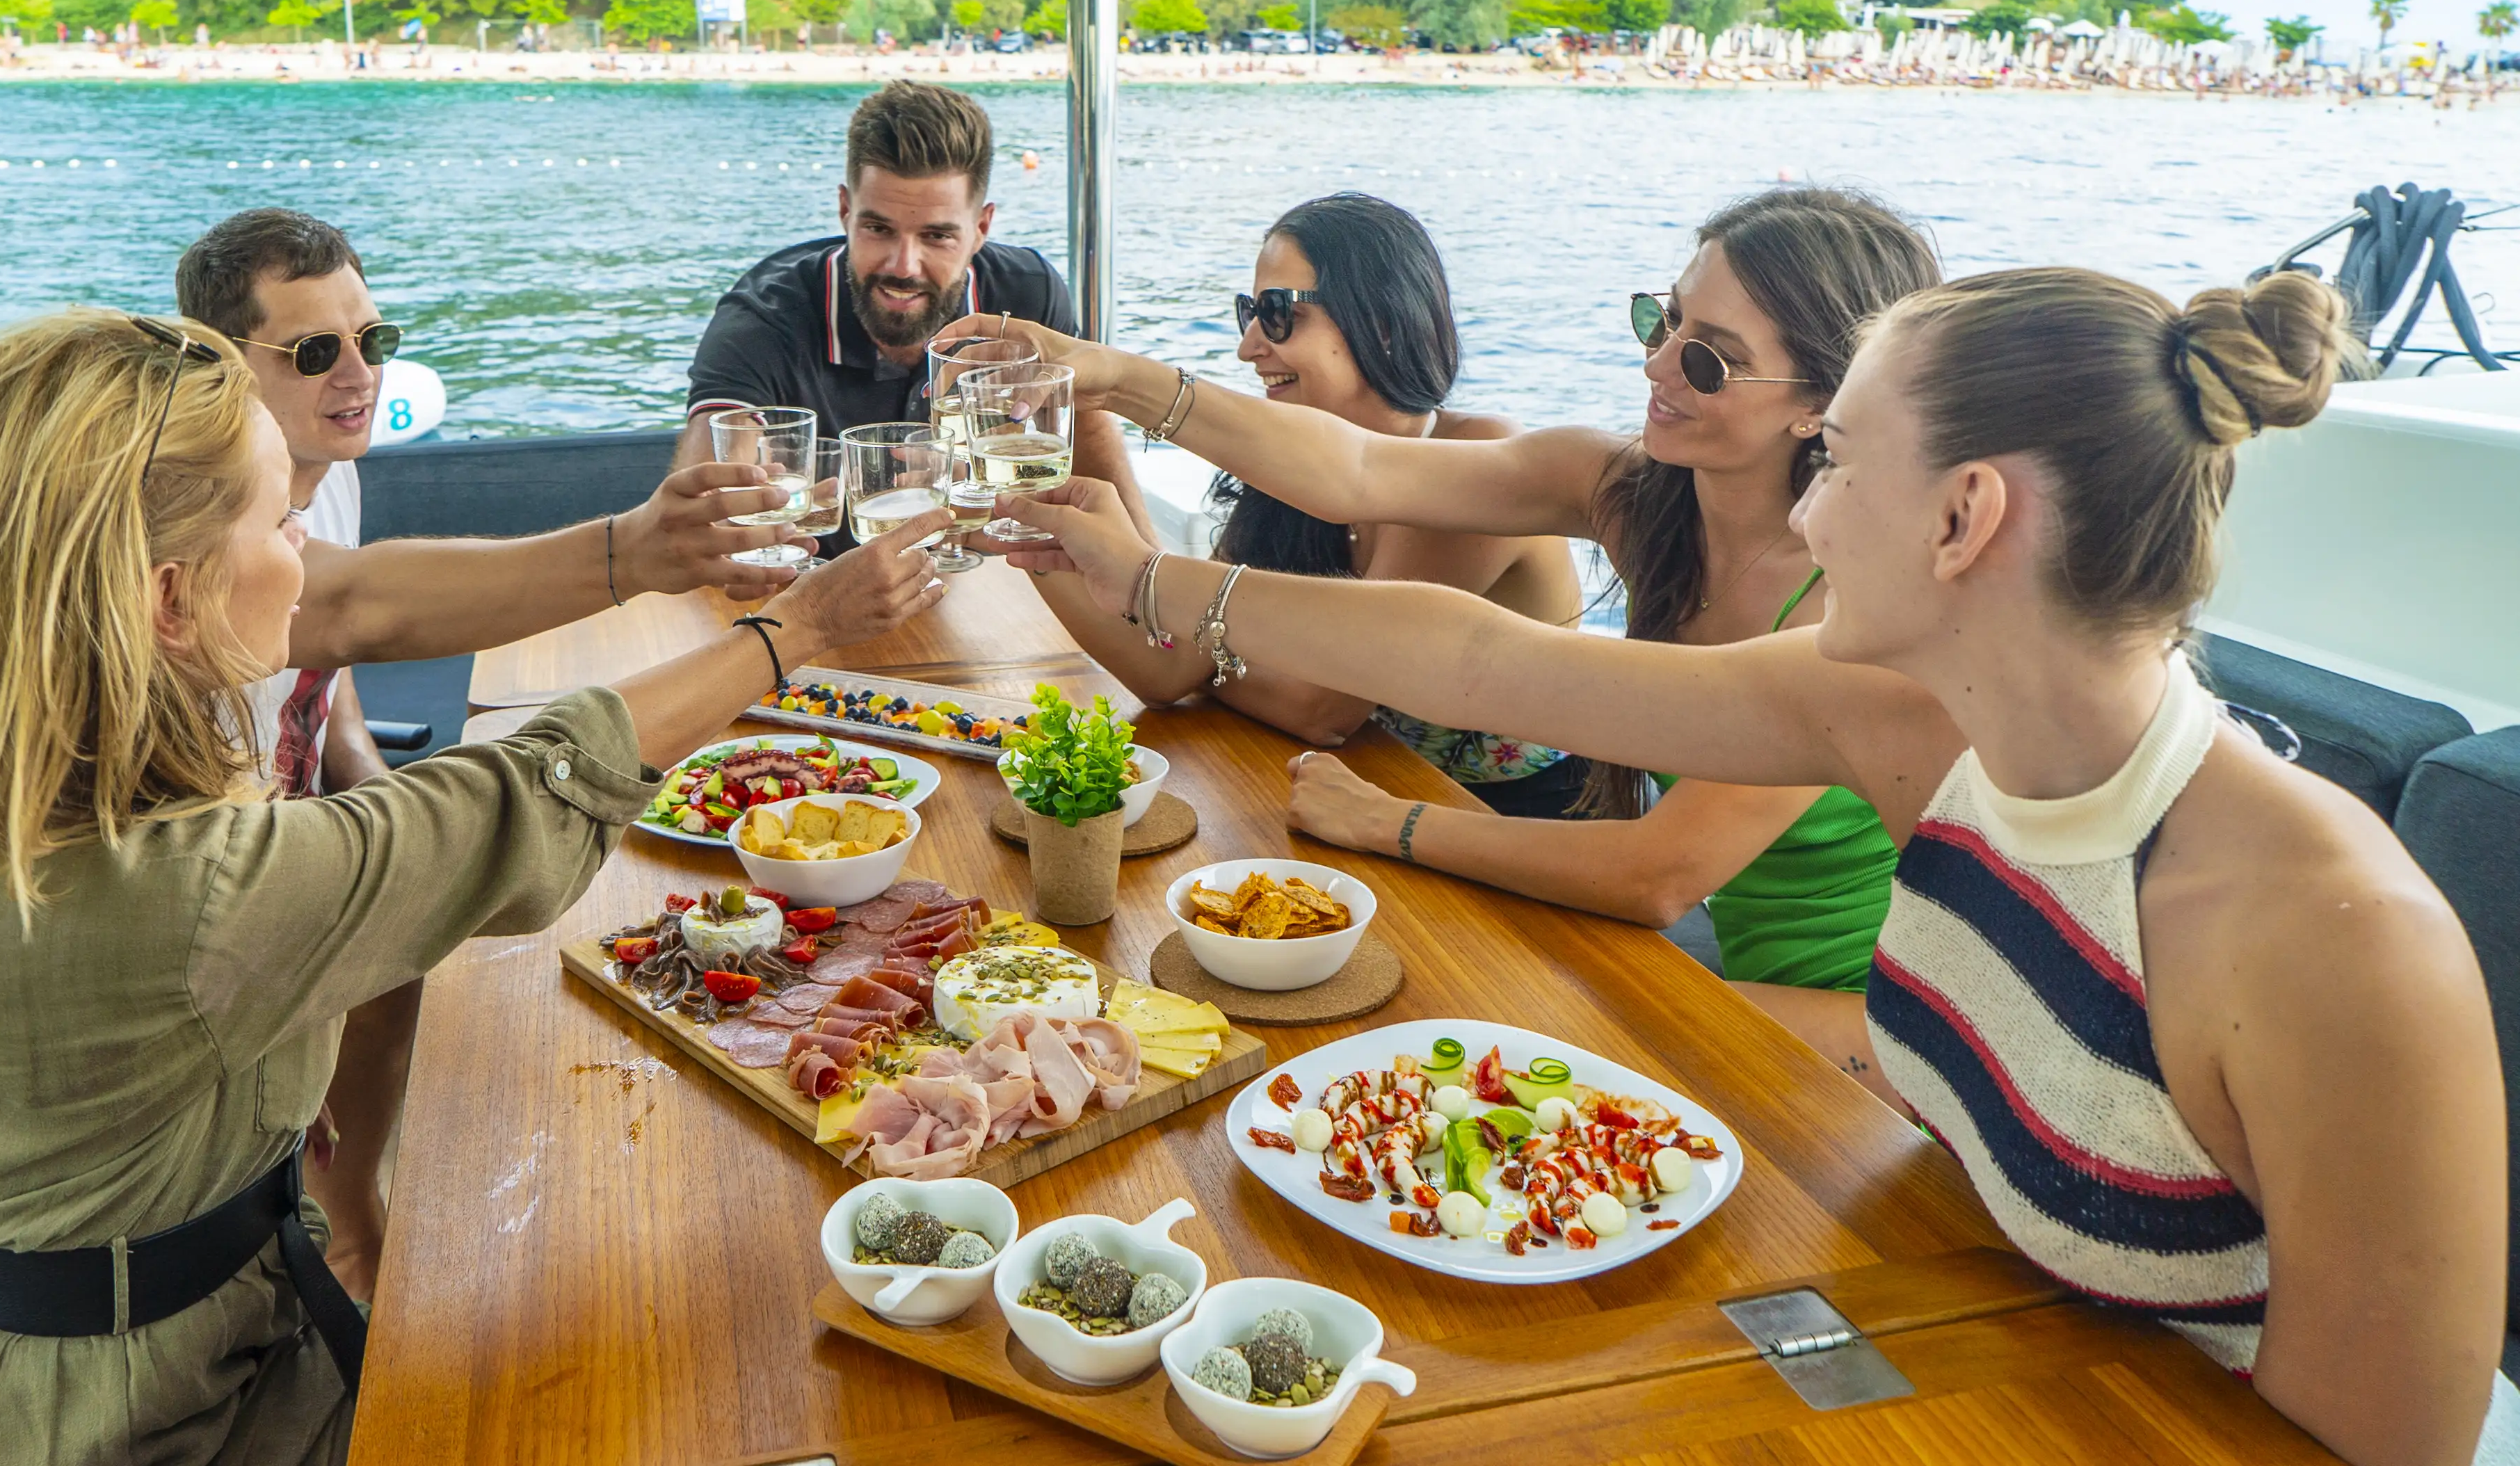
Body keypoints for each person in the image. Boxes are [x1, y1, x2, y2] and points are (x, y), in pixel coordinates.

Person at [1002, 268, 2511, 1466]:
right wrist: (1144, 578)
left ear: (1961, 514)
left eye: (1836, 459)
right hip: (1942, 1330)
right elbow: (1481, 659)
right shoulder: (1914, 725)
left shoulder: (2334, 939)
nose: (1799, 508)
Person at [0, 309, 947, 1464]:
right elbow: (502, 803)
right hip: (124, 1419)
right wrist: (790, 630)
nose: (306, 553)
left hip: (111, 1331)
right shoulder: (172, 892)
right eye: (279, 519)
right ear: (166, 600)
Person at [956, 188, 1940, 1093]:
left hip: (1893, 1017)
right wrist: (1117, 380)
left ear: (1825, 402)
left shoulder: (1841, 610)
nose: (1653, 364)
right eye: (1662, 319)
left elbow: (1657, 875)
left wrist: (1391, 823)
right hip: (1727, 945)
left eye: (1705, 357)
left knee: (1484, 1047)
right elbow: (1357, 469)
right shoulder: (1638, 497)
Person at [176, 204, 803, 1297]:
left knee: (503, 919)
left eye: (375, 341)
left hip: (290, 834)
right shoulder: (197, 543)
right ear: (220, 367)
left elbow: (326, 683)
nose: (357, 373)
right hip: (215, 889)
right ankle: (351, 1238)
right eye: (315, 352)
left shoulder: (337, 476)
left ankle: (358, 1208)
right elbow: (356, 612)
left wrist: (369, 788)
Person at [1025, 192, 1587, 812]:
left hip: (1515, 828)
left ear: (1383, 322)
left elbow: (1320, 707)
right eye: (1249, 311)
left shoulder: (1477, 462)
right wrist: (1023, 527)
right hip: (1357, 799)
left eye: (1277, 313)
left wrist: (1213, 649)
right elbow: (1165, 671)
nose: (1248, 346)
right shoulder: (1285, 468)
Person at [675, 80, 1143, 524]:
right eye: (878, 229)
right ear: (844, 210)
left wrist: (1153, 586)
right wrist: (747, 510)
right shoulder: (762, 318)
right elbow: (705, 502)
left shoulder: (1027, 295)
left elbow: (1092, 439)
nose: (904, 266)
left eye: (937, 236)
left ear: (981, 228)